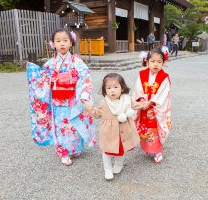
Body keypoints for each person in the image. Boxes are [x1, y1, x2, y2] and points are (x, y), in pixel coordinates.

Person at [26, 27, 96, 166]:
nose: (62, 44)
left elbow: (85, 78)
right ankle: (63, 152)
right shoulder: (50, 64)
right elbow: (43, 81)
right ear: (53, 44)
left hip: (73, 99)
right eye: (58, 41)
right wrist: (39, 78)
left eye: (65, 40)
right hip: (58, 102)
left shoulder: (77, 62)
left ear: (71, 43)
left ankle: (75, 149)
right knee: (61, 127)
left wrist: (84, 94)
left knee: (74, 125)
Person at [83, 73, 141, 180]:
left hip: (123, 131)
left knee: (121, 149)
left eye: (115, 87)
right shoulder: (104, 103)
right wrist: (88, 106)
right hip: (109, 132)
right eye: (109, 88)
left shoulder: (127, 100)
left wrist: (146, 104)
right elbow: (96, 113)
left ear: (122, 88)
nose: (112, 90)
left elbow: (137, 105)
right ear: (105, 90)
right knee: (107, 151)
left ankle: (118, 164)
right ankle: (108, 169)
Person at [132, 47, 172, 163]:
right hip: (143, 106)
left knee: (154, 128)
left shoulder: (164, 77)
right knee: (144, 127)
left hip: (155, 108)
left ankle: (157, 150)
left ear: (163, 63)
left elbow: (163, 93)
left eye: (159, 62)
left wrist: (151, 102)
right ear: (147, 61)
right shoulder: (142, 74)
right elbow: (137, 89)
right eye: (153, 61)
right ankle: (146, 148)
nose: (156, 64)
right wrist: (141, 101)